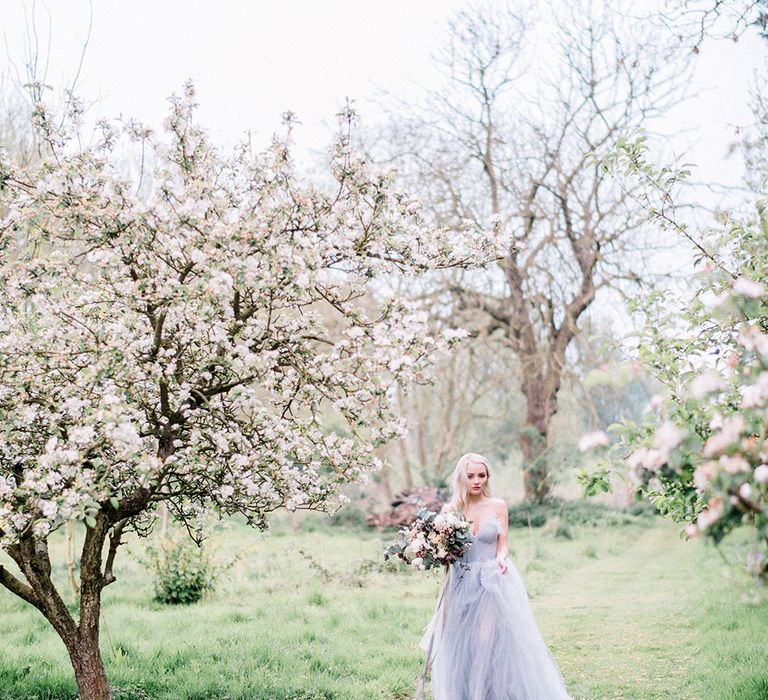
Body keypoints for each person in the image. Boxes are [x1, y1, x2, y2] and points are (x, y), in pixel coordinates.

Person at [420, 452, 572, 700]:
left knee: (485, 641)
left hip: (491, 579)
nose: (476, 481)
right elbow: (443, 549)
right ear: (462, 478)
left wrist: (501, 557)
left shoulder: (498, 505)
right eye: (471, 476)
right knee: (460, 644)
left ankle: (487, 694)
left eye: (481, 475)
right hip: (460, 582)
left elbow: (503, 544)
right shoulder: (451, 510)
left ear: (487, 477)